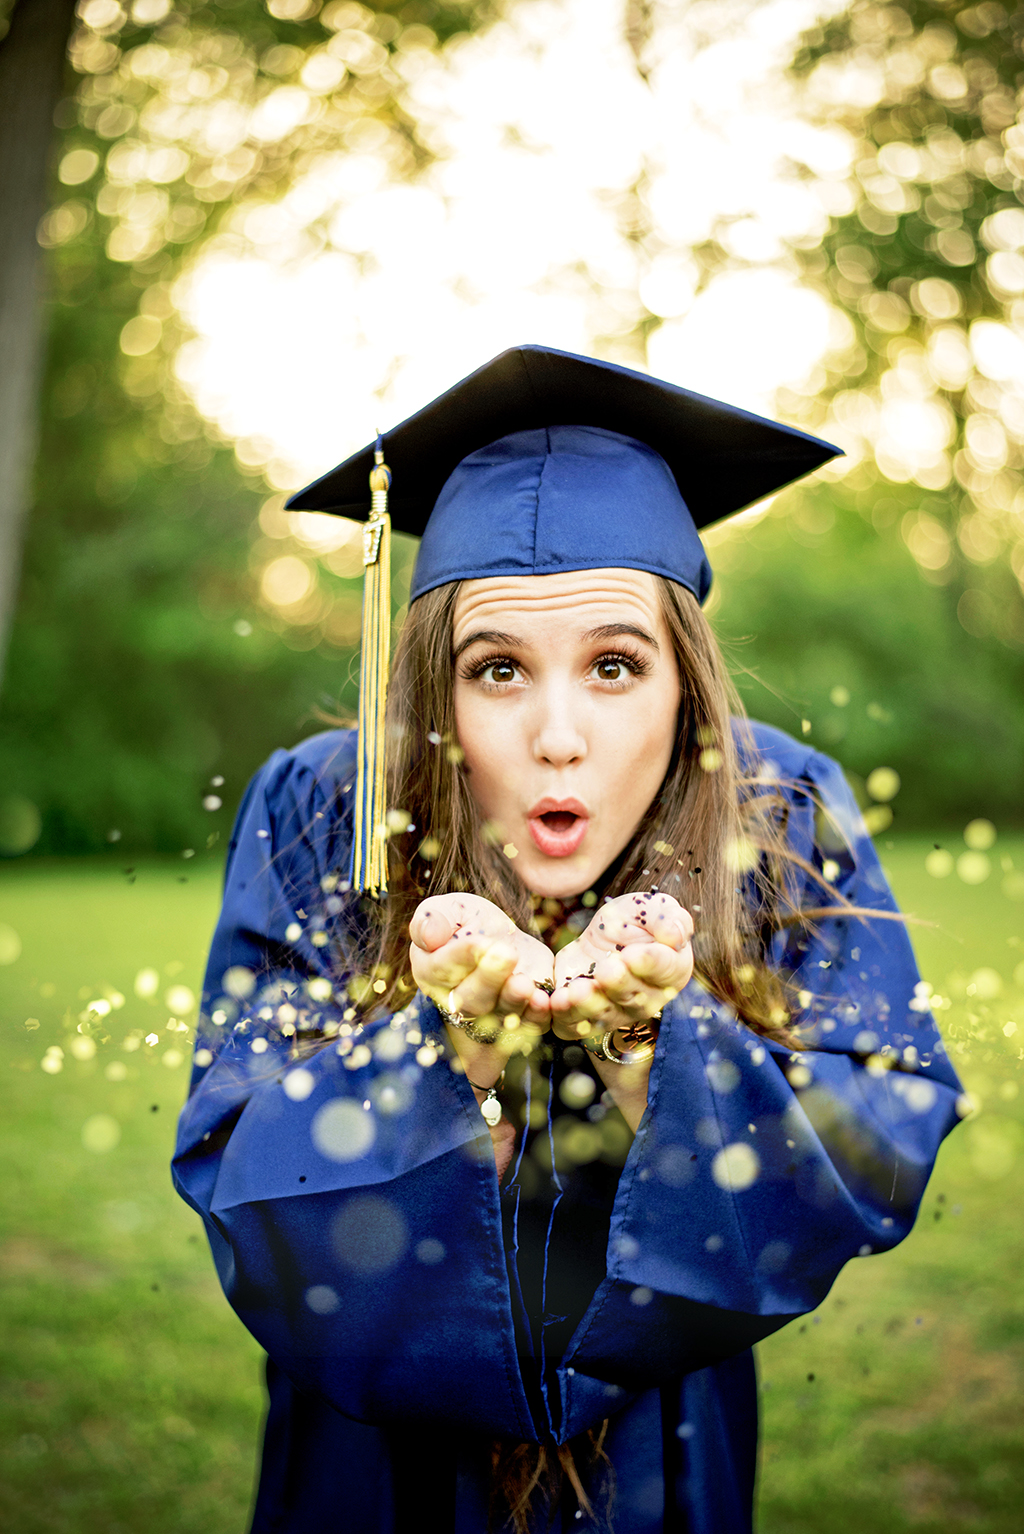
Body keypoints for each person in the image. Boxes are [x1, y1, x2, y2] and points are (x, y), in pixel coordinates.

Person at [173, 346, 962, 1534]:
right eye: (496, 669)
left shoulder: (777, 810)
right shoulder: (327, 812)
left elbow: (878, 1135)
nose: (556, 734)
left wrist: (655, 1047)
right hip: (369, 1454)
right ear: (431, 688)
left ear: (684, 682)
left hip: (658, 1440)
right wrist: (449, 1050)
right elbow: (238, 1167)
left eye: (612, 665)